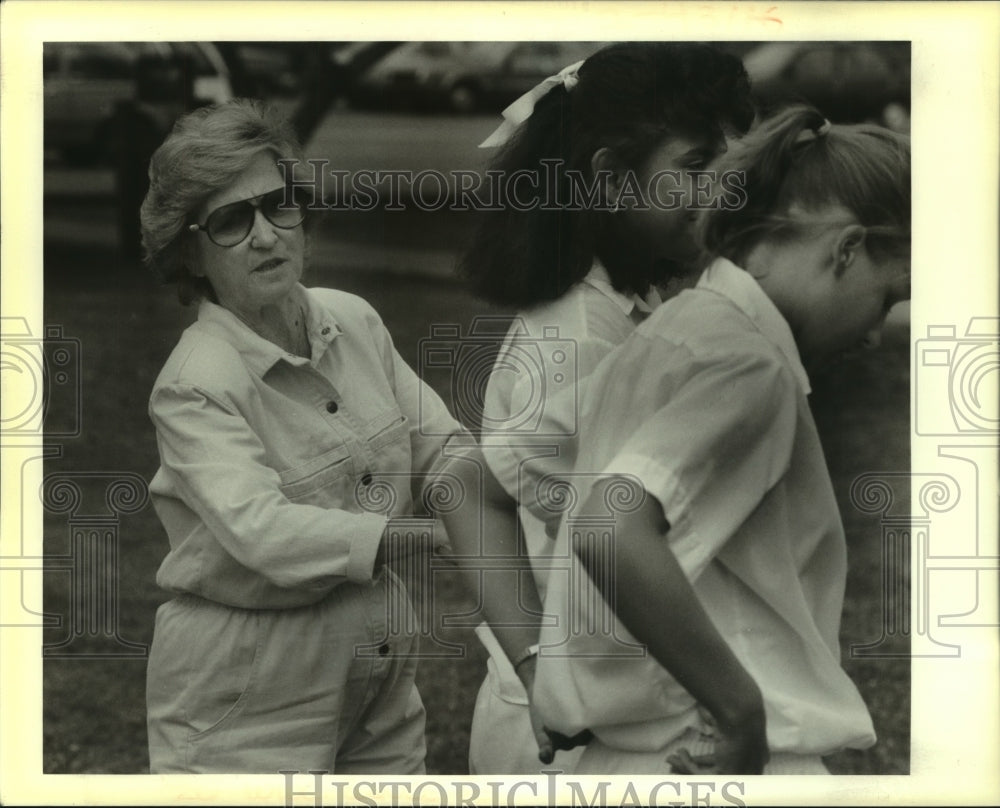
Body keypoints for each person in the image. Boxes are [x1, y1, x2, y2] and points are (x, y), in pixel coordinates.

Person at [140, 99, 547, 773]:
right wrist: (416, 536)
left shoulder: (353, 319)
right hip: (244, 698)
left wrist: (521, 491)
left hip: (380, 675)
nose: (266, 236)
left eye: (278, 205)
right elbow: (262, 530)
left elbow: (442, 450)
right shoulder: (195, 383)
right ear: (189, 250)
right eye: (232, 221)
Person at [531, 105, 911, 774]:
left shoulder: (668, 332)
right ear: (848, 250)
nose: (878, 330)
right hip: (721, 758)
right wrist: (738, 710)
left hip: (625, 758)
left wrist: (542, 671)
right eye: (888, 297)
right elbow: (608, 526)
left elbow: (486, 481)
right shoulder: (751, 362)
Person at [458, 42, 755, 774]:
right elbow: (473, 494)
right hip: (569, 737)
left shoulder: (632, 301)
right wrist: (535, 672)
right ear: (611, 179)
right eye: (694, 170)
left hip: (617, 707)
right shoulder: (577, 338)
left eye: (730, 170)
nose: (722, 194)